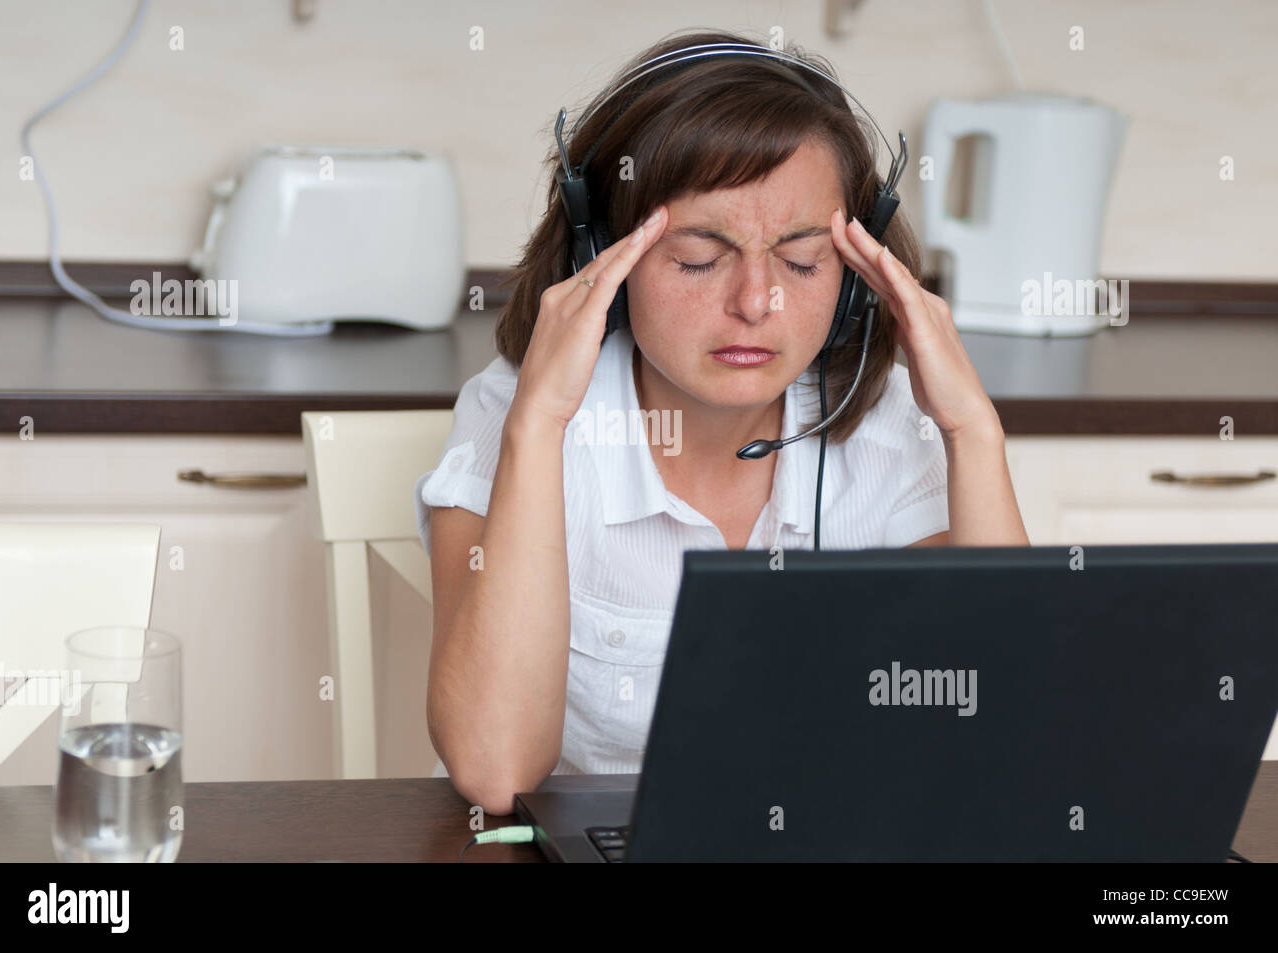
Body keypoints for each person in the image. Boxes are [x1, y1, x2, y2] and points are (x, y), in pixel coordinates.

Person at [413, 29, 1029, 815]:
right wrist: (539, 425)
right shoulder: (513, 414)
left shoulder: (887, 428)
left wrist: (973, 430)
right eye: (700, 257)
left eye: (803, 260)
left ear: (854, 272)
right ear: (600, 252)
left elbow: (1010, 729)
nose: (755, 303)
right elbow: (498, 772)